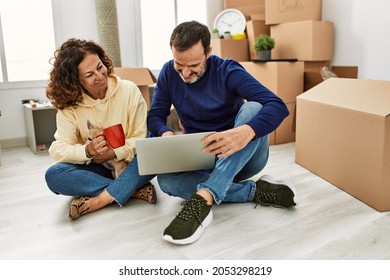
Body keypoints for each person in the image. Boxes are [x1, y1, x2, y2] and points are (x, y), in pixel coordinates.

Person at [147, 21, 298, 245]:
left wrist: (245, 132)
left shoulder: (228, 70)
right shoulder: (169, 73)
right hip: (204, 158)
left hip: (243, 156)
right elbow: (155, 116)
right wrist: (165, 133)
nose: (186, 73)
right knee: (167, 181)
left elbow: (277, 105)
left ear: (208, 52)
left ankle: (204, 198)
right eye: (180, 64)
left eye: (194, 65)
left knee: (254, 108)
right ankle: (253, 191)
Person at [45, 38, 156, 219]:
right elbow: (58, 149)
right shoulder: (70, 106)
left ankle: (100, 199)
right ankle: (131, 190)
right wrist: (87, 151)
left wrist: (113, 153)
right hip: (96, 168)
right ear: (75, 81)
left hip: (130, 164)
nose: (99, 76)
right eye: (89, 75)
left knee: (152, 153)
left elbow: (141, 137)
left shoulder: (129, 90)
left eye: (99, 66)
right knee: (54, 175)